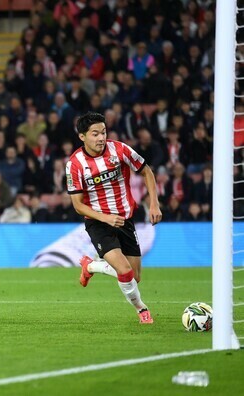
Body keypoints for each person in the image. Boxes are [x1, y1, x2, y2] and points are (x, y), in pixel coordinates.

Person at [65, 112, 162, 324]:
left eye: (103, 132)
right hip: (98, 222)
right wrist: (105, 218)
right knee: (124, 271)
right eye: (95, 134)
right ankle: (142, 310)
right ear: (82, 136)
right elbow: (78, 205)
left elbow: (146, 171)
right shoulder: (75, 164)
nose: (101, 138)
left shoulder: (120, 149)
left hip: (125, 219)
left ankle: (91, 266)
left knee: (135, 277)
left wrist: (154, 203)